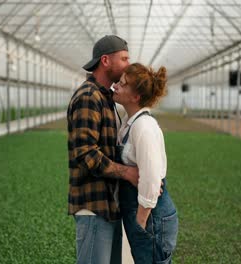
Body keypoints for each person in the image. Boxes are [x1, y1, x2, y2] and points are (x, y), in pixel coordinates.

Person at [67, 35, 139, 264]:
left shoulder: (105, 97)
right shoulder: (89, 96)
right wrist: (127, 172)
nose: (129, 64)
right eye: (124, 58)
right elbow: (85, 153)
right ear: (106, 60)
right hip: (94, 207)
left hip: (109, 205)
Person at [113, 63, 179, 263]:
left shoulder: (143, 126)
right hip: (143, 214)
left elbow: (151, 179)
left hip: (151, 217)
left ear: (136, 97)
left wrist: (140, 223)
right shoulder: (129, 121)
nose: (116, 86)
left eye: (123, 84)